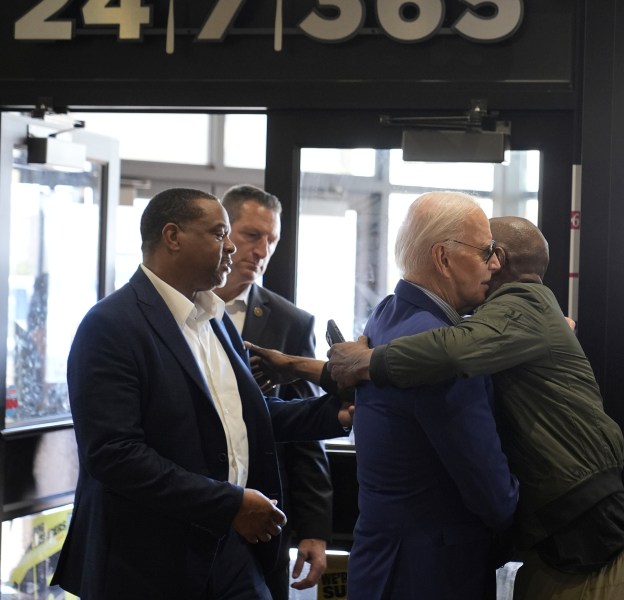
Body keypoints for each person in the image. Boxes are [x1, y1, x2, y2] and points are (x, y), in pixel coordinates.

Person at [324, 216, 624, 600]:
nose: (487, 264)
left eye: (489, 253)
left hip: (592, 545)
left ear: (502, 257)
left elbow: (454, 350)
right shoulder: (494, 318)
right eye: (481, 253)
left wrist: (364, 362)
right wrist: (306, 366)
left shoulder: (522, 303)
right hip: (565, 546)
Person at [51, 188, 351, 600]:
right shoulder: (110, 325)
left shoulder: (214, 319)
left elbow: (246, 416)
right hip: (148, 560)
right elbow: (115, 454)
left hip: (230, 550)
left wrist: (332, 415)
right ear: (172, 237)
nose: (230, 246)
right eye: (218, 233)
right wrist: (230, 504)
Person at [257, 191, 519, 599]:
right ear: (443, 258)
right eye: (486, 251)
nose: (496, 263)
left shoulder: (387, 311)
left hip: (381, 563)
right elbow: (492, 494)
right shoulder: (440, 349)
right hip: (431, 574)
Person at [216, 184, 335, 598]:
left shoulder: (291, 322)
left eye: (273, 240)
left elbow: (305, 432)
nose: (263, 250)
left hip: (265, 509)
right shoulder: (181, 310)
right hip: (194, 506)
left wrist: (315, 531)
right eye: (252, 235)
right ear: (223, 233)